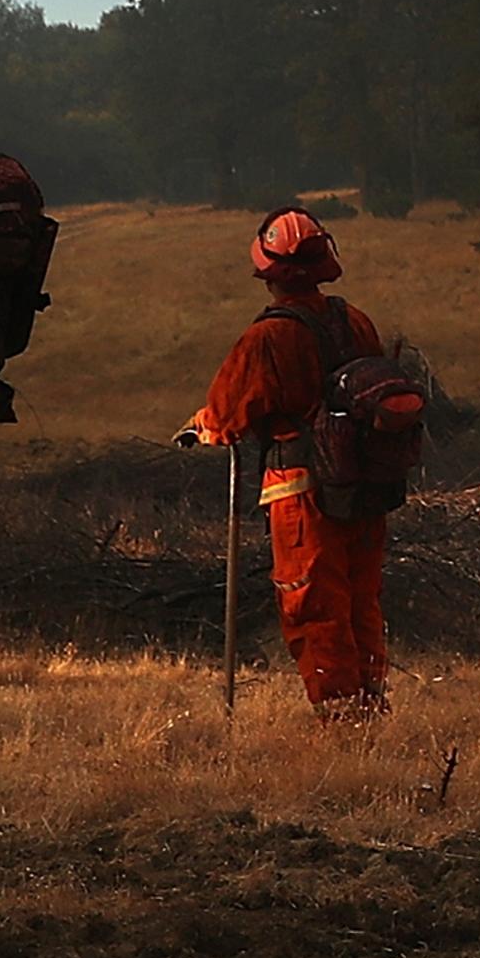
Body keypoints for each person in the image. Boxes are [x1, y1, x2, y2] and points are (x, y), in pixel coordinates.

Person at [180, 207, 394, 711]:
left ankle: (341, 718)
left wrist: (201, 427)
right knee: (361, 600)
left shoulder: (267, 337)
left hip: (302, 492)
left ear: (266, 270)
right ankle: (370, 705)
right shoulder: (355, 320)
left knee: (315, 604)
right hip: (364, 487)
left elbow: (229, 412)